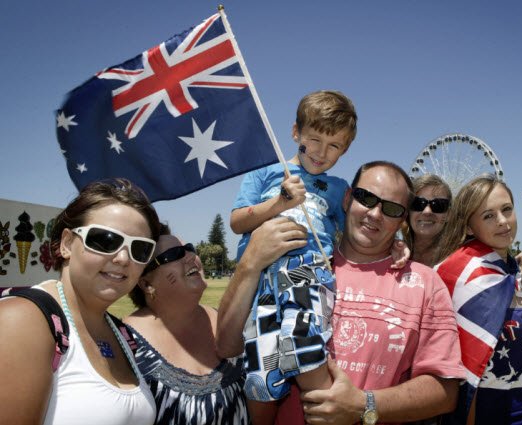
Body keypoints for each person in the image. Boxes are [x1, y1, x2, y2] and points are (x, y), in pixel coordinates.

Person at [218, 161, 466, 425]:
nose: (375, 213)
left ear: (403, 220)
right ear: (347, 198)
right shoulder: (293, 263)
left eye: (391, 209)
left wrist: (363, 405)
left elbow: (445, 393)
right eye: (366, 198)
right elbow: (226, 345)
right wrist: (249, 264)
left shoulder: (425, 283)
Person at [229, 90, 357, 423]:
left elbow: (358, 232)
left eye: (335, 147)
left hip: (308, 272)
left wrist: (396, 244)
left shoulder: (339, 187)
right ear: (295, 133)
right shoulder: (265, 172)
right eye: (314, 140)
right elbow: (237, 221)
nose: (321, 153)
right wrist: (279, 204)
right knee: (261, 378)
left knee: (301, 345)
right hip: (262, 283)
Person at [0, 178, 160, 425]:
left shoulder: (122, 335)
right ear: (66, 244)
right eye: (106, 240)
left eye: (140, 249)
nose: (122, 258)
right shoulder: (22, 320)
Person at [434, 174, 522, 425]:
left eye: (507, 209)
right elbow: (469, 367)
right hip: (478, 412)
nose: (503, 221)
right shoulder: (460, 277)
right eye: (488, 216)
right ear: (469, 227)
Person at [124, 225, 249, 425]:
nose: (191, 257)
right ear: (147, 284)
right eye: (175, 254)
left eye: (190, 248)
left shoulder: (228, 321)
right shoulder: (124, 344)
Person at [402, 174, 522, 276]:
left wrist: (521, 261)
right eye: (418, 204)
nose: (427, 211)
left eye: (439, 205)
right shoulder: (392, 252)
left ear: (450, 213)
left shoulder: (466, 258)